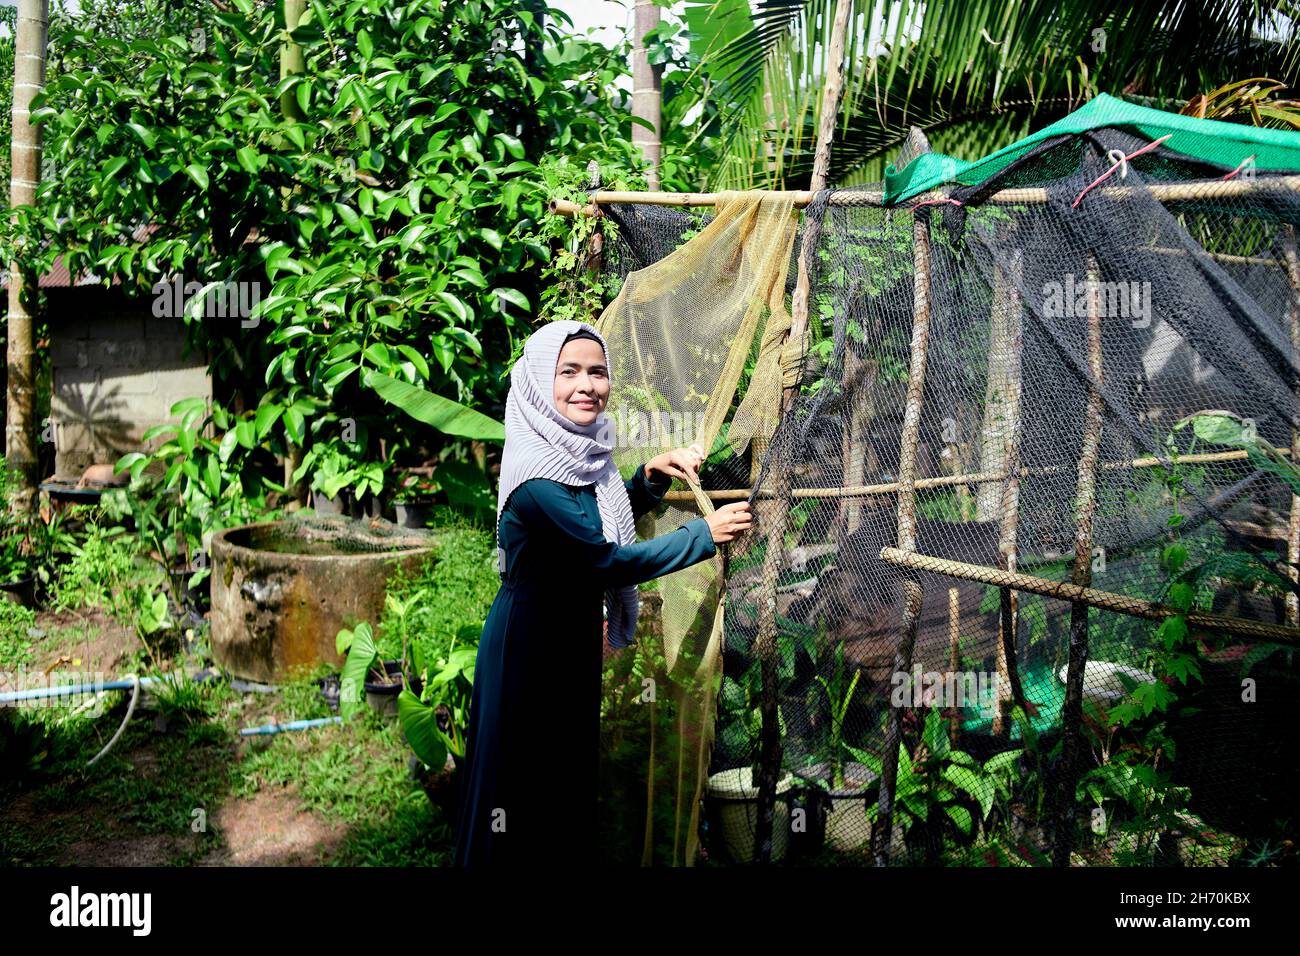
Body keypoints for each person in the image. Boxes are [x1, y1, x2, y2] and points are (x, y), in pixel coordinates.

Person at [452, 319, 752, 867]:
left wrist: (646, 481)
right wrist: (700, 536)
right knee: (521, 785)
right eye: (569, 372)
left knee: (562, 778)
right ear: (541, 381)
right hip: (528, 650)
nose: (586, 385)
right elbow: (603, 559)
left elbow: (598, 523)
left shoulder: (578, 456)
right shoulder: (539, 480)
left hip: (566, 641)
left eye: (598, 371)